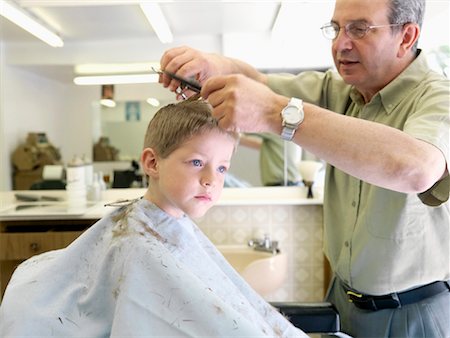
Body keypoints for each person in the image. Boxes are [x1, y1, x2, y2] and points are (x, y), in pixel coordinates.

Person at [158, 0, 449, 336]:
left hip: (412, 315)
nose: (340, 43)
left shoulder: (439, 97)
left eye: (359, 28)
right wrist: (217, 65)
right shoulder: (341, 93)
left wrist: (278, 114)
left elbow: (417, 168)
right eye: (336, 28)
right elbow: (260, 83)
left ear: (407, 35)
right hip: (343, 301)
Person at [0, 98, 307, 337]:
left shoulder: (167, 225)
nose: (212, 179)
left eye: (223, 167)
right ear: (151, 162)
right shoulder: (137, 241)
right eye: (198, 162)